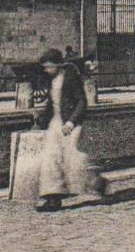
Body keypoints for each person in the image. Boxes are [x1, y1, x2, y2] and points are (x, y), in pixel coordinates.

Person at [34, 47, 106, 212]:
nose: (46, 70)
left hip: (70, 124)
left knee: (74, 161)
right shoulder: (51, 80)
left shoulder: (71, 77)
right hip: (56, 123)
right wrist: (41, 119)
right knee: (50, 160)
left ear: (57, 64)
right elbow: (52, 104)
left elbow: (82, 102)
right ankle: (53, 199)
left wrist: (71, 123)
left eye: (48, 66)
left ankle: (97, 183)